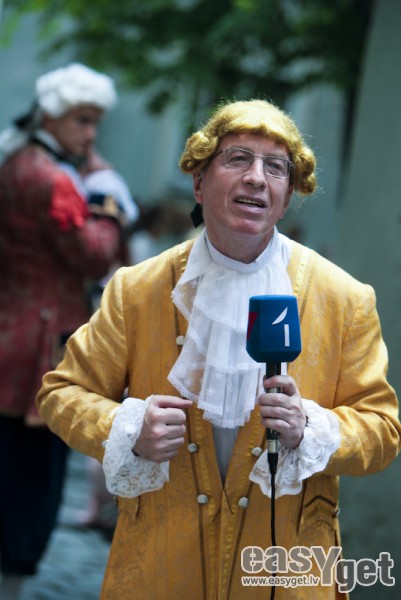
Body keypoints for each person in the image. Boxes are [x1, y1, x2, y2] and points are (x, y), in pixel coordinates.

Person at [36, 99, 401, 600]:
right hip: (161, 568)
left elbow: (382, 430)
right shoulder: (136, 289)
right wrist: (129, 429)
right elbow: (61, 393)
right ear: (199, 183)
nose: (257, 178)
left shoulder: (344, 298)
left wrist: (309, 429)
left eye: (276, 168)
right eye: (238, 159)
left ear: (286, 196)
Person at [0, 62, 136, 598]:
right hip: (39, 347)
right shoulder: (54, 178)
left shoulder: (12, 160)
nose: (91, 133)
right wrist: (106, 193)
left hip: (10, 331)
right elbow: (96, 254)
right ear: (52, 118)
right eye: (83, 120)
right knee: (34, 477)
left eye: (95, 121)